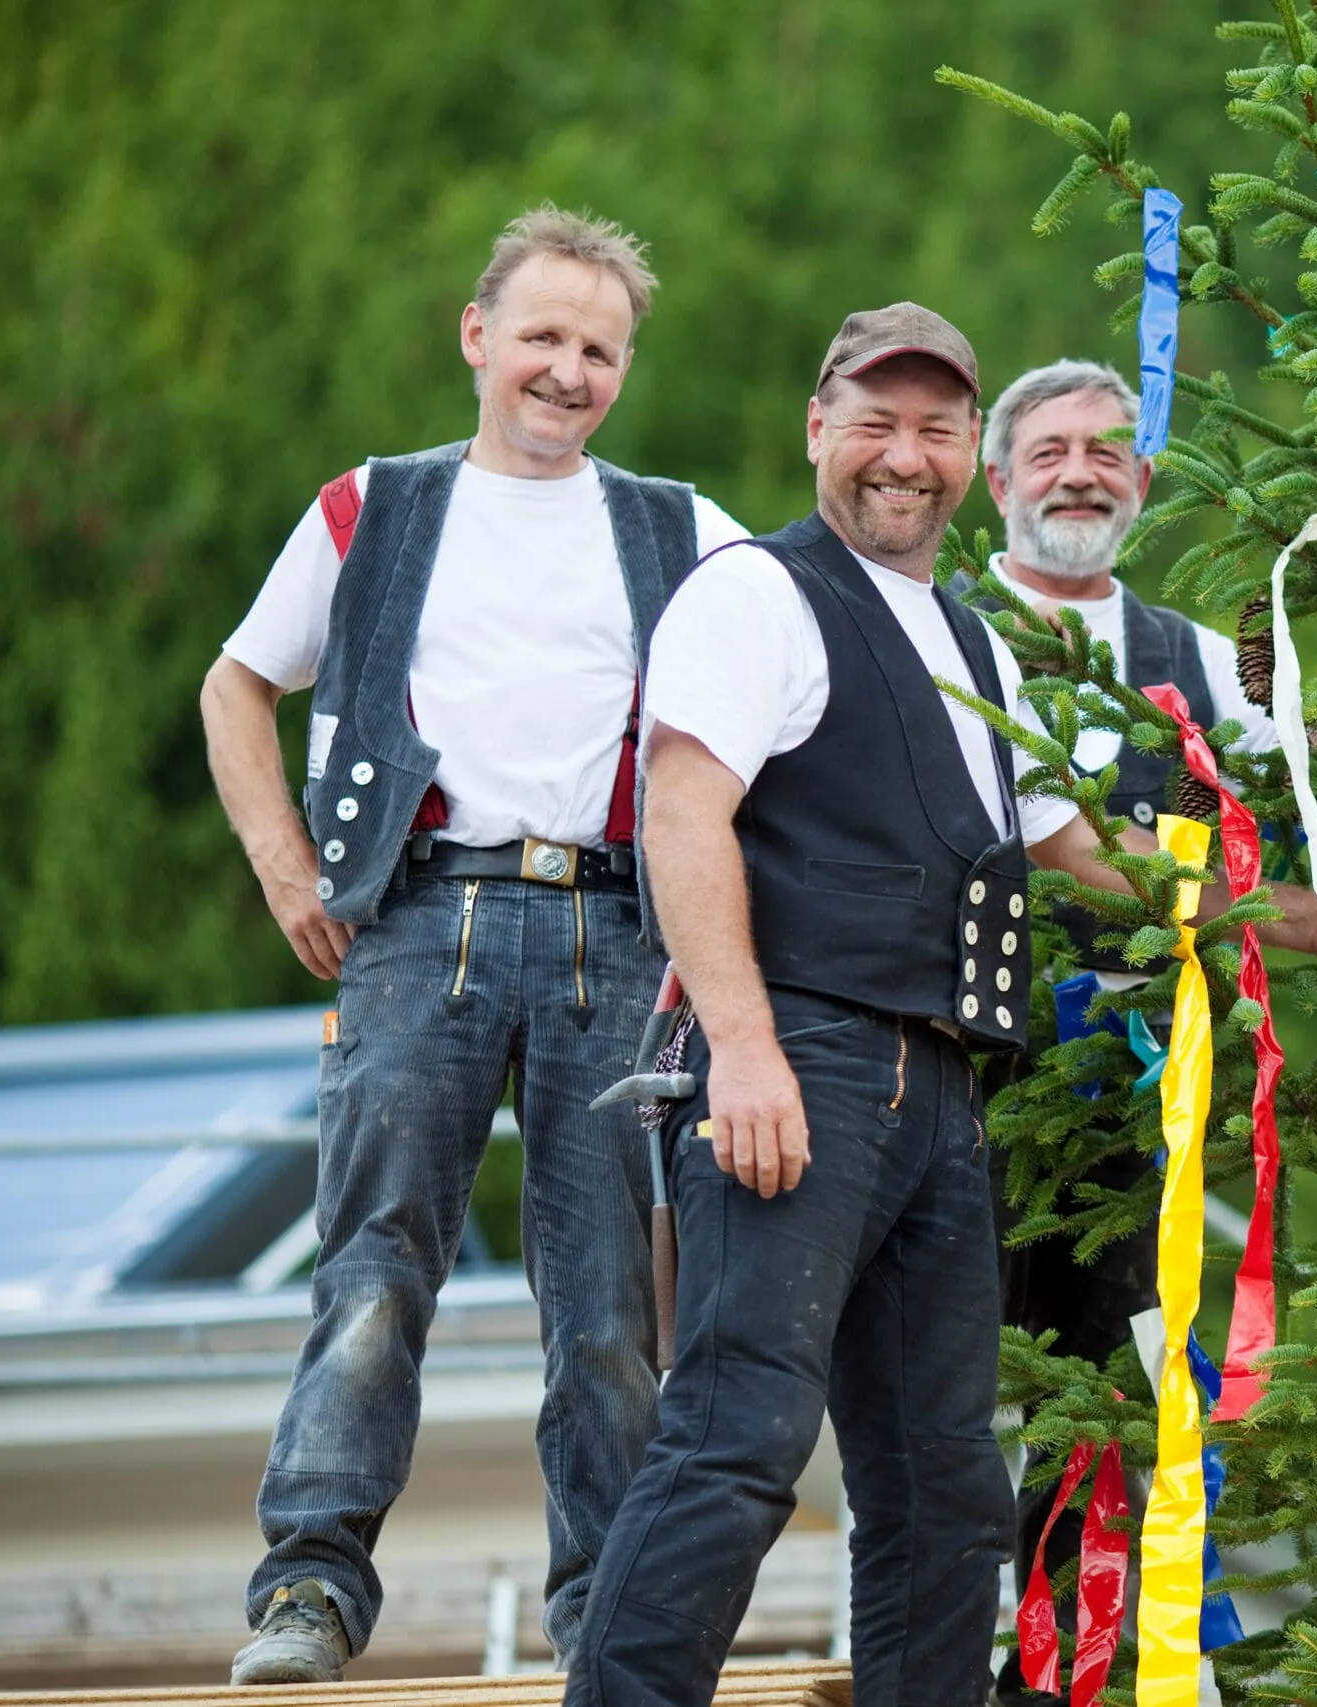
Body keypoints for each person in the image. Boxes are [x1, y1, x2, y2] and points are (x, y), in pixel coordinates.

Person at [566, 305, 1317, 1707]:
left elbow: (1092, 857)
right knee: (738, 1436)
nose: (903, 455)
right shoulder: (758, 592)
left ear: (966, 456)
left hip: (947, 1095)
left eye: (932, 427)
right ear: (817, 430)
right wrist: (739, 1046)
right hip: (796, 1063)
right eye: (874, 419)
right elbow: (682, 816)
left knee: (946, 1487)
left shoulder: (979, 647)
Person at [202, 207, 754, 1684]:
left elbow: (789, 683)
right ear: (476, 336)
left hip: (620, 931)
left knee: (613, 1308)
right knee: (375, 1270)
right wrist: (282, 862)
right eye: (543, 337)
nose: (566, 370)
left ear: (623, 370)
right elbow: (236, 684)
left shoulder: (684, 527)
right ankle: (310, 1590)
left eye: (597, 349)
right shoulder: (368, 508)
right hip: (415, 918)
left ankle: (614, 1617)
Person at [961, 359, 1279, 1707]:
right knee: (926, 1384)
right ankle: (929, 1651)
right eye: (1046, 452)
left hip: (1136, 1094)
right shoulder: (940, 628)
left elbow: (1303, 830)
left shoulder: (1203, 660)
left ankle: (1059, 1678)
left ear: (1143, 484)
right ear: (995, 482)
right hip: (955, 1071)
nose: (1078, 471)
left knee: (1102, 1397)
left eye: (1106, 450)